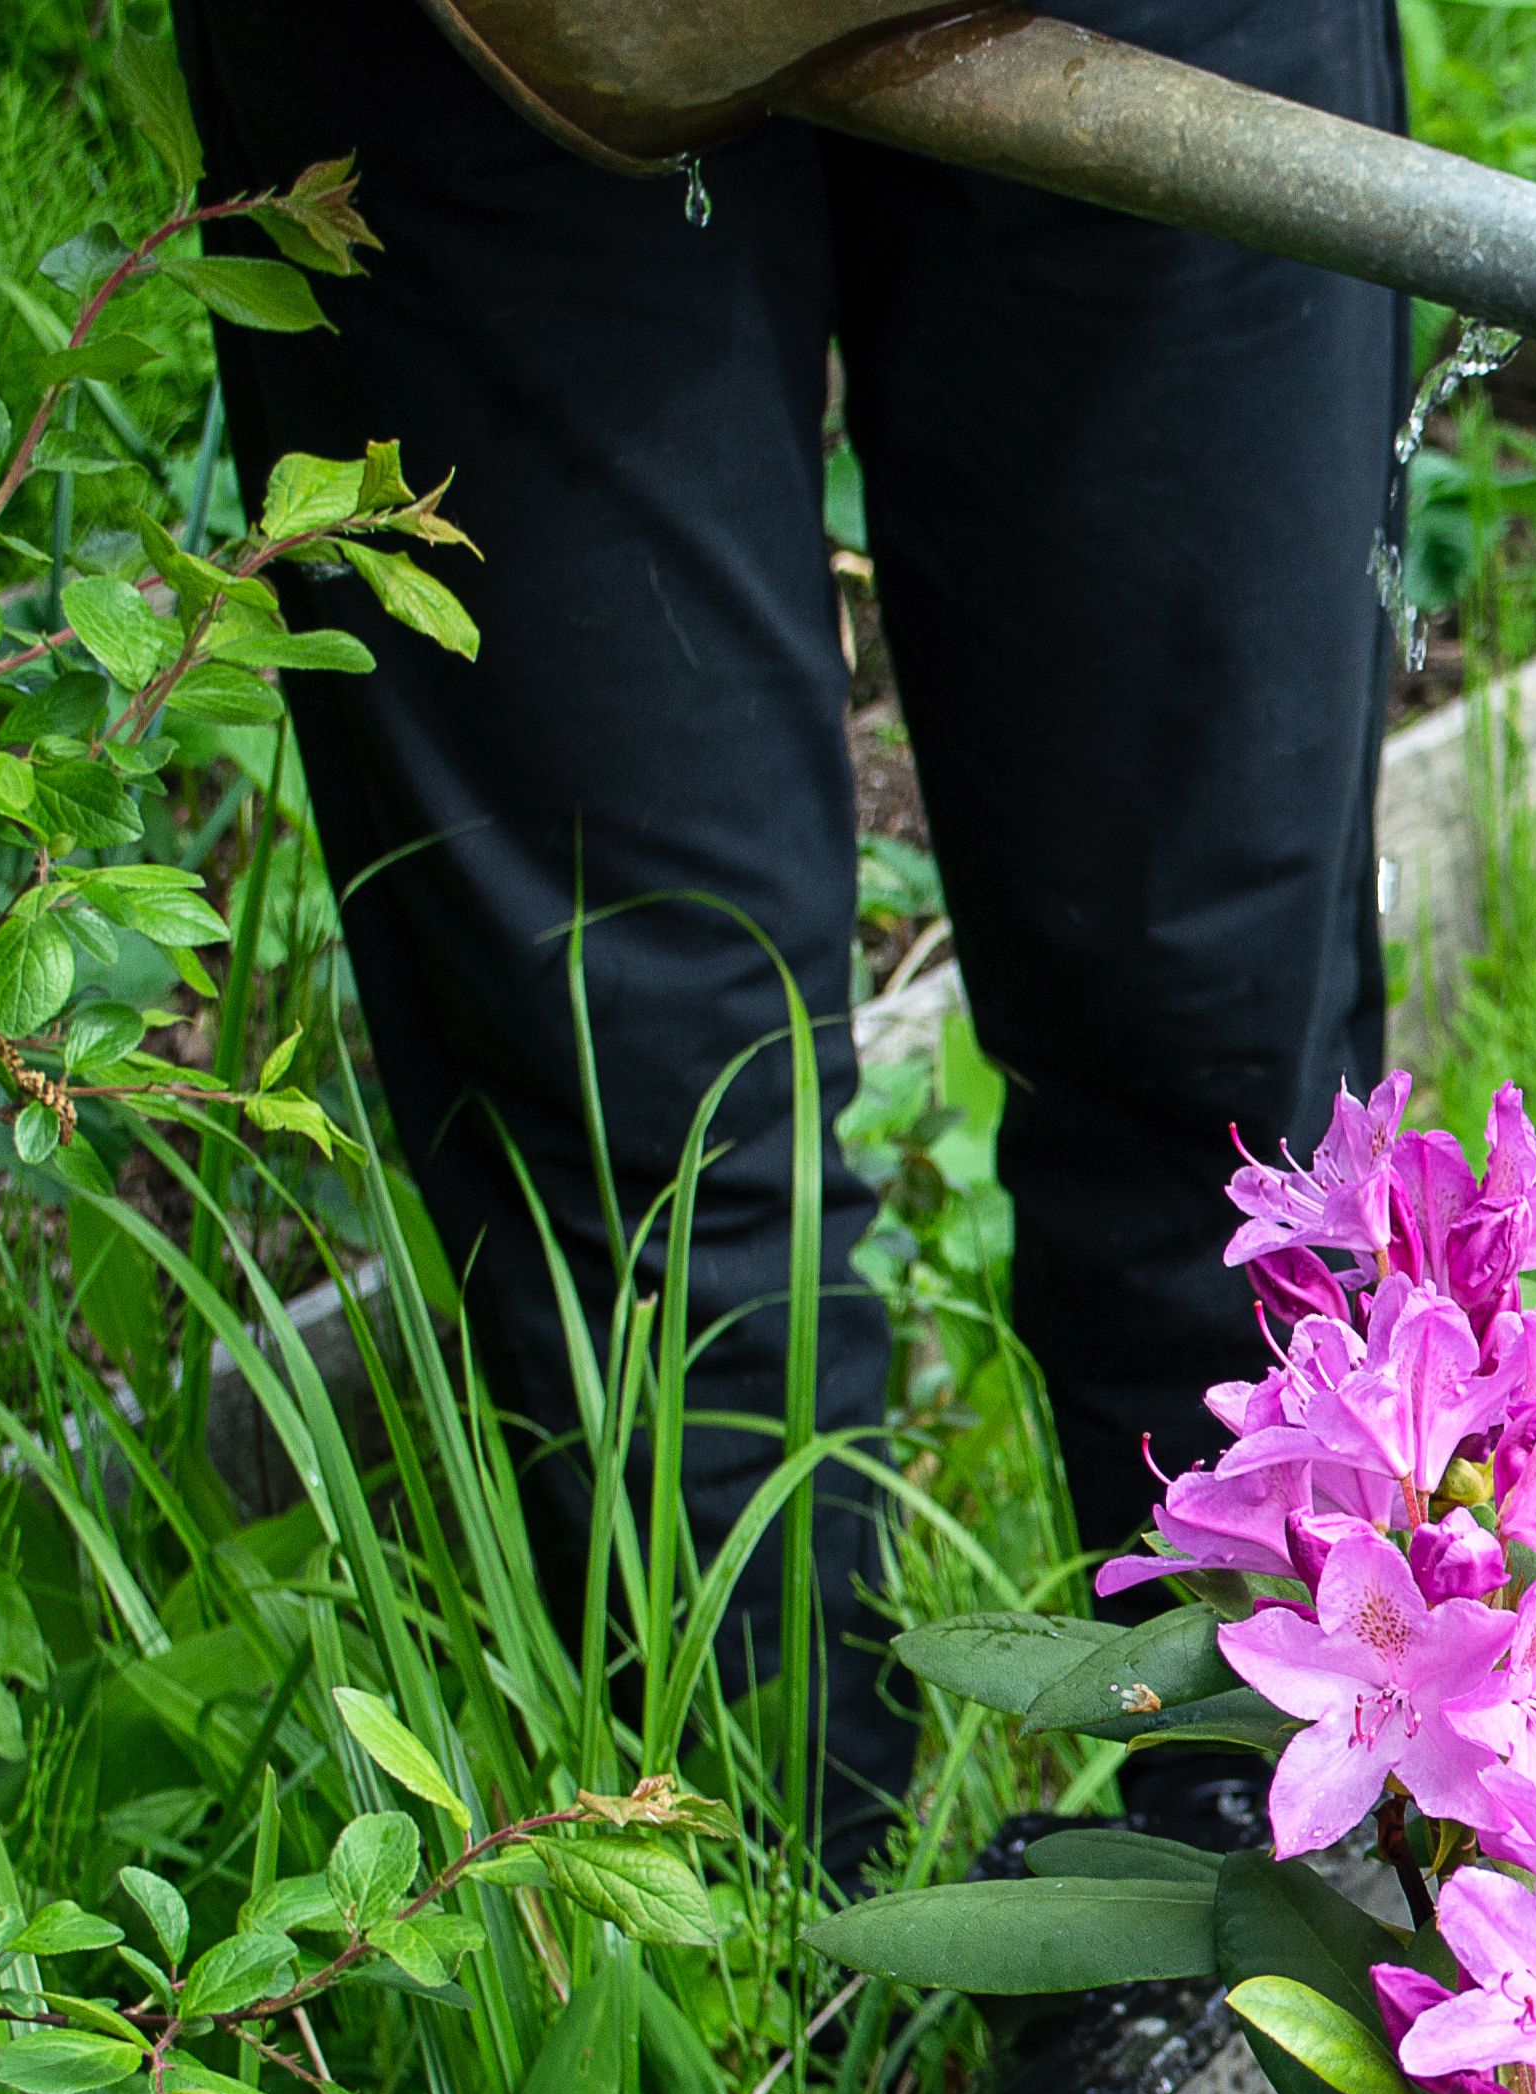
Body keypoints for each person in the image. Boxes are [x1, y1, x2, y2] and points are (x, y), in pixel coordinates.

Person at [175, 0, 1411, 1862]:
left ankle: (1289, 1896)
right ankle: (761, 1957)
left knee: (1220, 1034)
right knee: (634, 1094)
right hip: (486, 41)